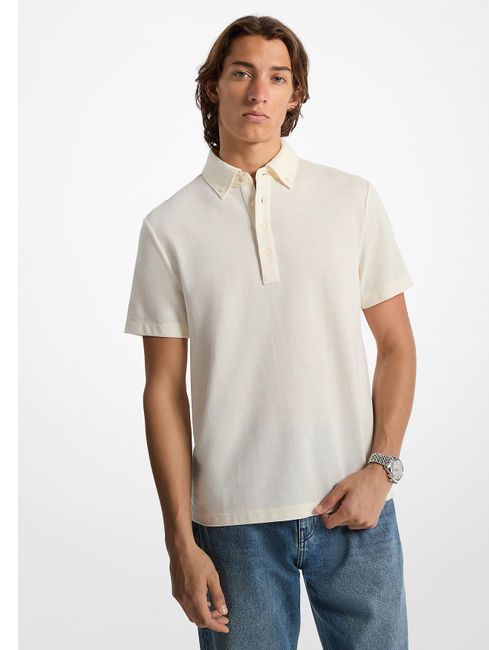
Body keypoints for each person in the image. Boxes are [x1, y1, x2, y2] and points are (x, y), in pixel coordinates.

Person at [124, 14, 416, 650]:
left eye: (277, 77)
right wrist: (179, 539)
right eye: (242, 73)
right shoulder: (168, 228)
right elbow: (163, 390)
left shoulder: (352, 200)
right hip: (232, 526)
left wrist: (382, 469)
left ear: (295, 94)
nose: (259, 92)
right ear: (213, 87)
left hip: (355, 506)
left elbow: (396, 344)